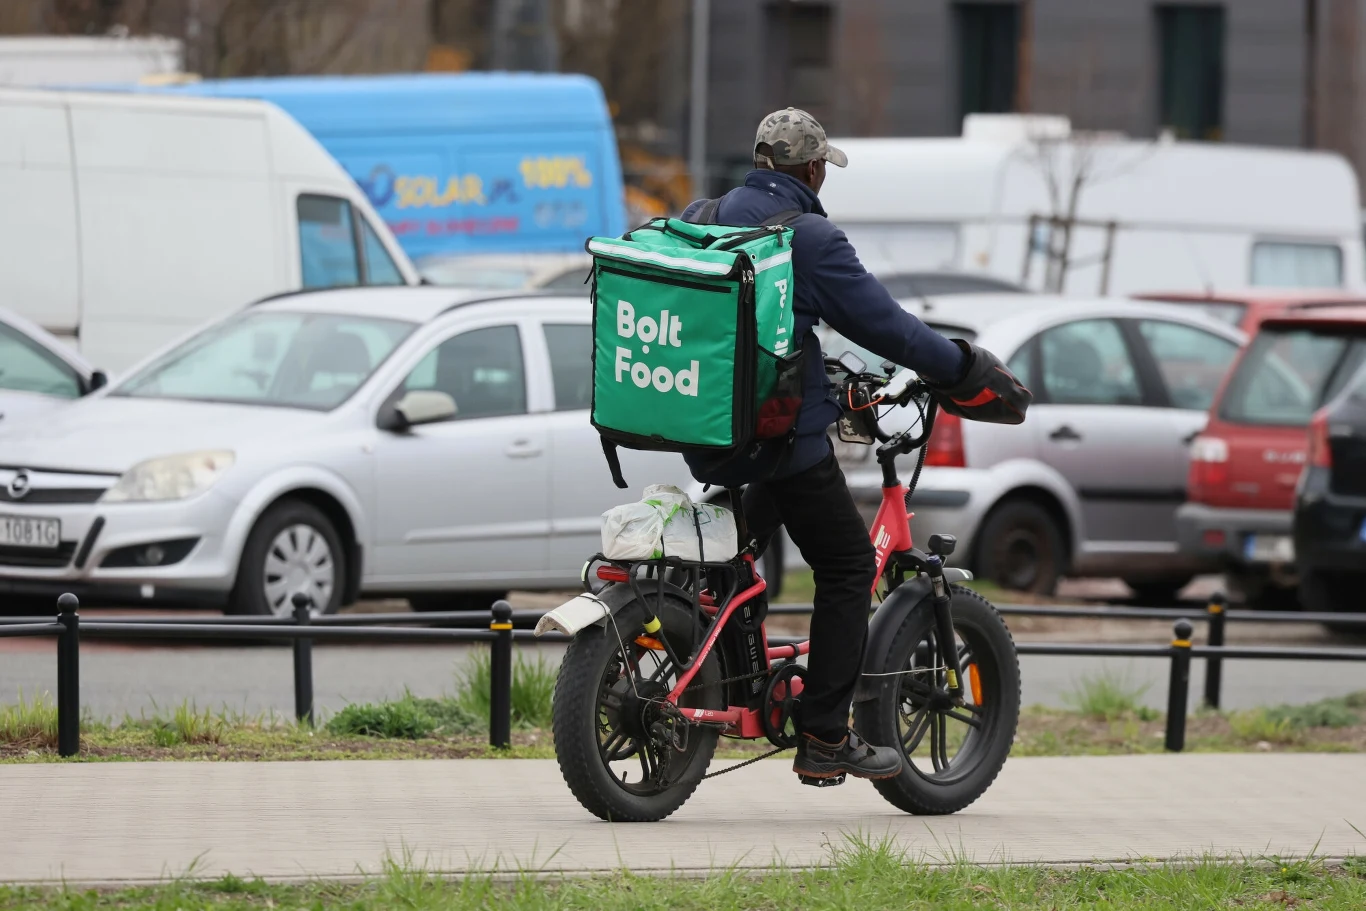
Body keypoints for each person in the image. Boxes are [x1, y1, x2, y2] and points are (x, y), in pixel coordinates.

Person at [681, 107, 1031, 782]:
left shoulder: (706, 214)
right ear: (812, 170)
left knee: (747, 539)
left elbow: (776, 330)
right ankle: (823, 737)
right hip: (780, 440)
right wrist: (962, 367)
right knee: (843, 567)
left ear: (760, 161)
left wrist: (830, 382)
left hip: (708, 429)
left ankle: (720, 641)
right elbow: (888, 327)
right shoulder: (808, 237)